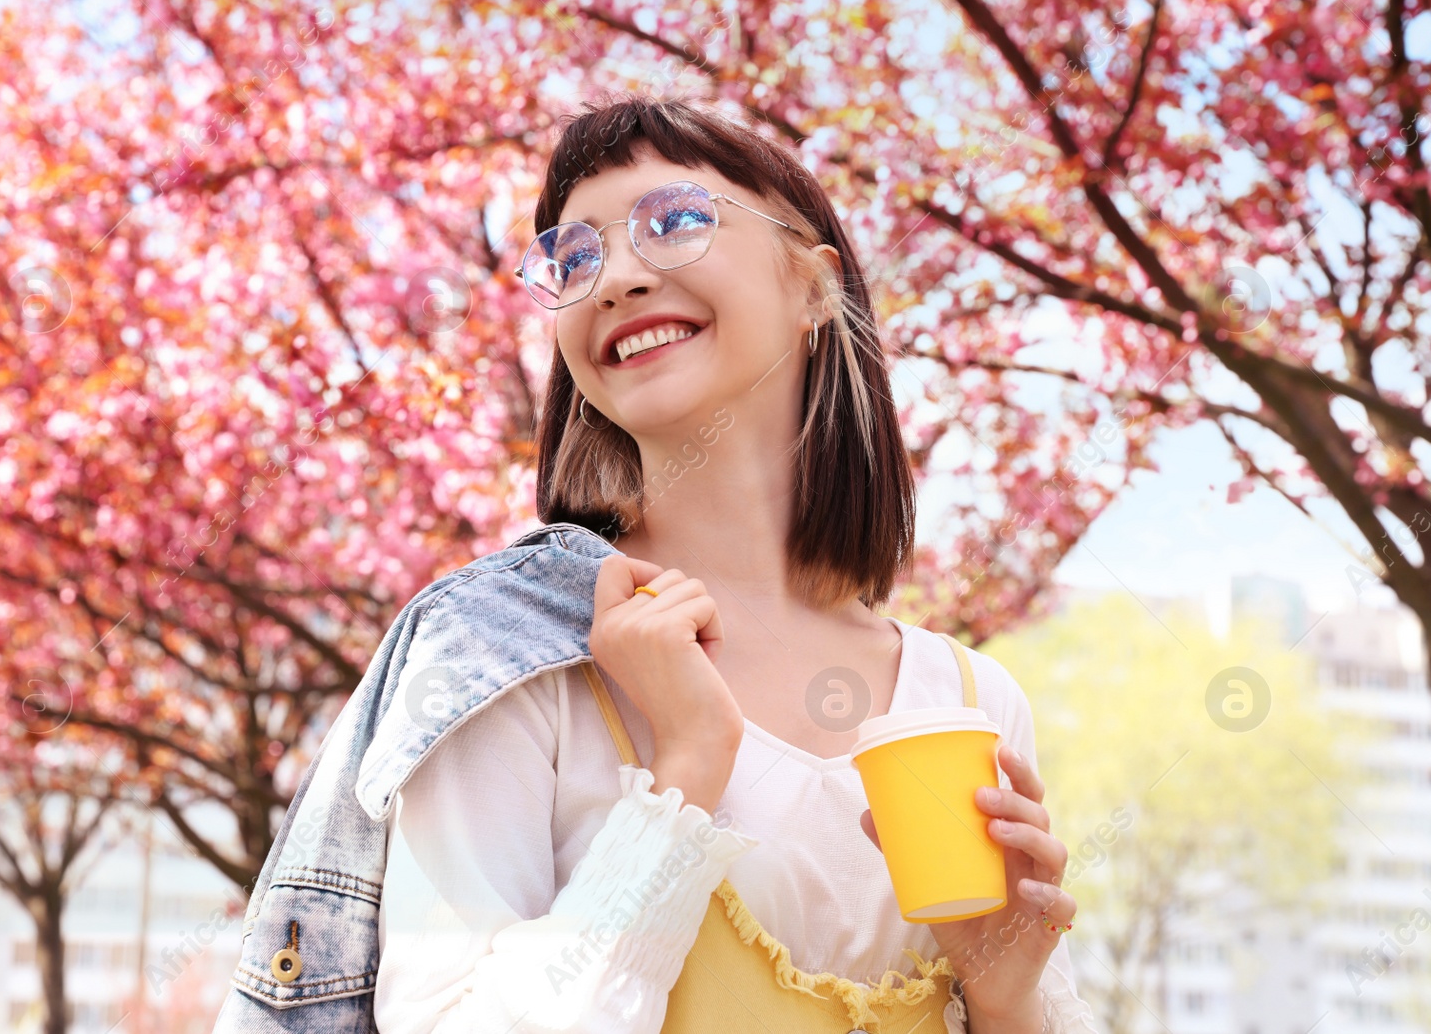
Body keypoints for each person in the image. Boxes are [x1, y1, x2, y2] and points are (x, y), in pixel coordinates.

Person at [365, 94, 1100, 1033]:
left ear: (813, 287)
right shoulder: (505, 657)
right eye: (575, 257)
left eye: (673, 222)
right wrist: (685, 770)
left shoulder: (966, 699)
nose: (616, 279)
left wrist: (1007, 997)